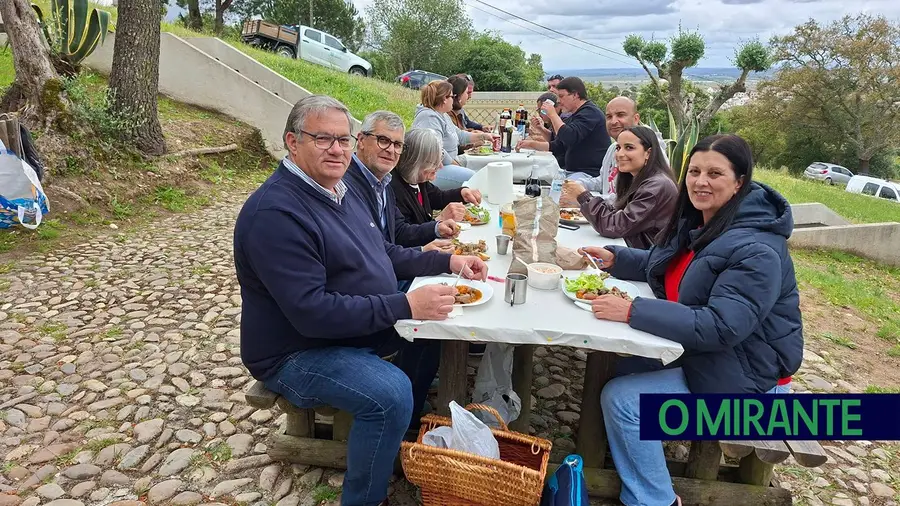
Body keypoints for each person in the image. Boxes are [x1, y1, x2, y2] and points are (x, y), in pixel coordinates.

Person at [233, 95, 489, 506]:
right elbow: (312, 314)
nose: (337, 149)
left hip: (347, 328)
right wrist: (405, 306)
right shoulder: (276, 213)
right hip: (296, 352)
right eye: (322, 139)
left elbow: (382, 252)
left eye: (343, 139)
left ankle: (402, 433)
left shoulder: (339, 190)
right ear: (292, 143)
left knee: (433, 333)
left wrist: (450, 259)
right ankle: (366, 496)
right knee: (390, 394)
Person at [579, 134, 802, 506]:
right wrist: (615, 258)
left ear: (740, 182)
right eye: (694, 171)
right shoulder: (704, 222)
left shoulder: (757, 248)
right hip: (717, 360)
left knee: (622, 399)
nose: (700, 182)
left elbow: (721, 325)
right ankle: (631, 459)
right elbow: (663, 265)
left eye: (715, 173)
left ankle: (656, 499)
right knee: (617, 368)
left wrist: (633, 311)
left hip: (752, 385)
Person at [342, 110, 459, 252]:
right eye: (383, 140)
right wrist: (423, 254)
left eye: (397, 144)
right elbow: (374, 253)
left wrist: (436, 228)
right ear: (360, 140)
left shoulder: (384, 181)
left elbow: (398, 231)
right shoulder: (344, 185)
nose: (390, 149)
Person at [561, 126, 677, 249]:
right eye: (618, 147)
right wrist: (581, 202)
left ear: (648, 153)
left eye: (629, 148)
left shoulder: (656, 186)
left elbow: (614, 226)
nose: (620, 154)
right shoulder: (639, 178)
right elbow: (618, 212)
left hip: (650, 260)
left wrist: (583, 197)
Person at [569, 96, 669, 198]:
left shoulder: (650, 150)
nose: (613, 121)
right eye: (609, 117)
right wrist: (577, 184)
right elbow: (604, 181)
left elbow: (629, 199)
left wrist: (584, 198)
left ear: (636, 119)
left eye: (620, 115)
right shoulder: (613, 148)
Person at [515, 77, 609, 179]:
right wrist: (529, 144)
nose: (559, 101)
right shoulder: (575, 115)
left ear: (575, 95)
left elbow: (569, 137)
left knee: (560, 191)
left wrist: (552, 114)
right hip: (571, 171)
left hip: (588, 174)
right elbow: (558, 145)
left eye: (561, 96)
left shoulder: (590, 113)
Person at [411, 81, 497, 190]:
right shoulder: (429, 117)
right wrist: (455, 163)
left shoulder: (443, 115)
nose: (454, 99)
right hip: (433, 170)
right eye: (452, 96)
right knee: (476, 178)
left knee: (485, 169)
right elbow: (435, 149)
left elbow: (460, 135)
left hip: (449, 163)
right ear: (444, 99)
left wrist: (484, 136)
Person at [390, 128, 482, 230]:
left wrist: (462, 193)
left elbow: (437, 197)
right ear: (416, 162)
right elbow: (404, 235)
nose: (440, 166)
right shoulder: (394, 190)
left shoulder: (418, 180)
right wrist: (439, 221)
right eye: (434, 162)